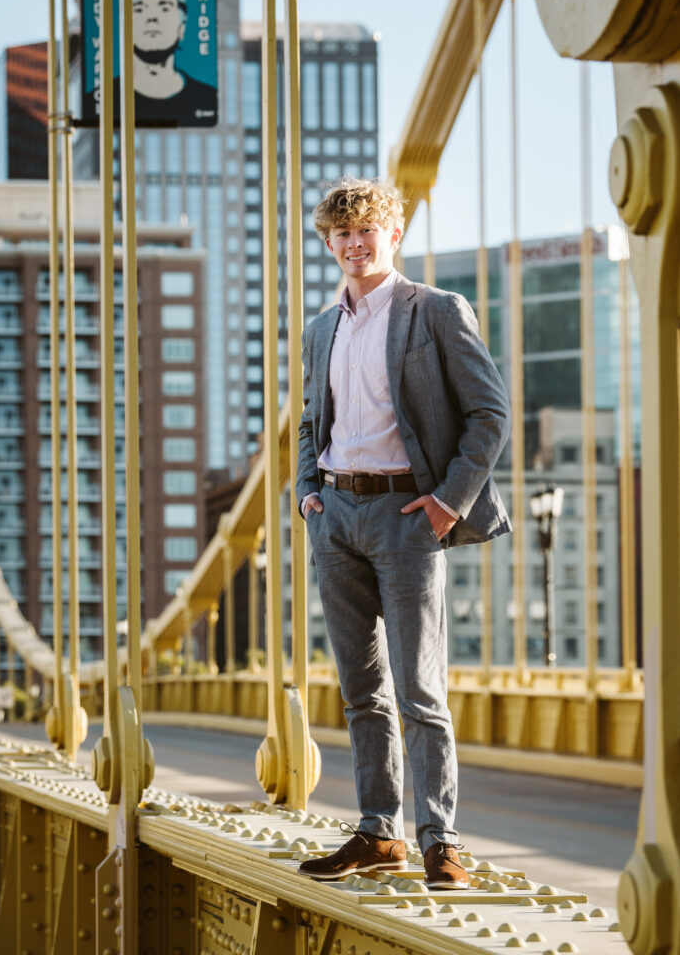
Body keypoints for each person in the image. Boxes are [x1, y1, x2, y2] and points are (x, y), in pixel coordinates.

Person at [295, 178, 511, 889]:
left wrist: (448, 503)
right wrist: (306, 492)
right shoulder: (320, 327)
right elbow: (309, 421)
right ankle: (377, 832)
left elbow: (489, 414)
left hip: (407, 515)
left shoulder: (436, 311)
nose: (354, 245)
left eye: (366, 232)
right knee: (361, 690)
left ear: (391, 235)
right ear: (328, 244)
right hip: (337, 518)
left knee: (418, 691)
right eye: (341, 236)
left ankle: (439, 840)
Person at [84, 0, 217, 127]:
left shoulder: (207, 98)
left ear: (181, 27)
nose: (152, 18)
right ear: (123, 28)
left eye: (164, 8)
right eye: (139, 9)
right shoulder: (99, 102)